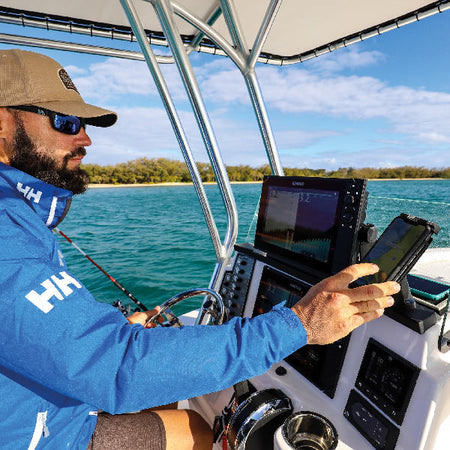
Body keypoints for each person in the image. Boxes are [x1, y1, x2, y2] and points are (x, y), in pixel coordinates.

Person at [0, 49, 399, 450]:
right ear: (3, 122)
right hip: (38, 434)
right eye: (65, 122)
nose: (85, 139)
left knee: (168, 395)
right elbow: (117, 369)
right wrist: (300, 325)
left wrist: (113, 331)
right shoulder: (7, 235)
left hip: (34, 403)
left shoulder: (18, 217)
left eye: (83, 125)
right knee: (198, 429)